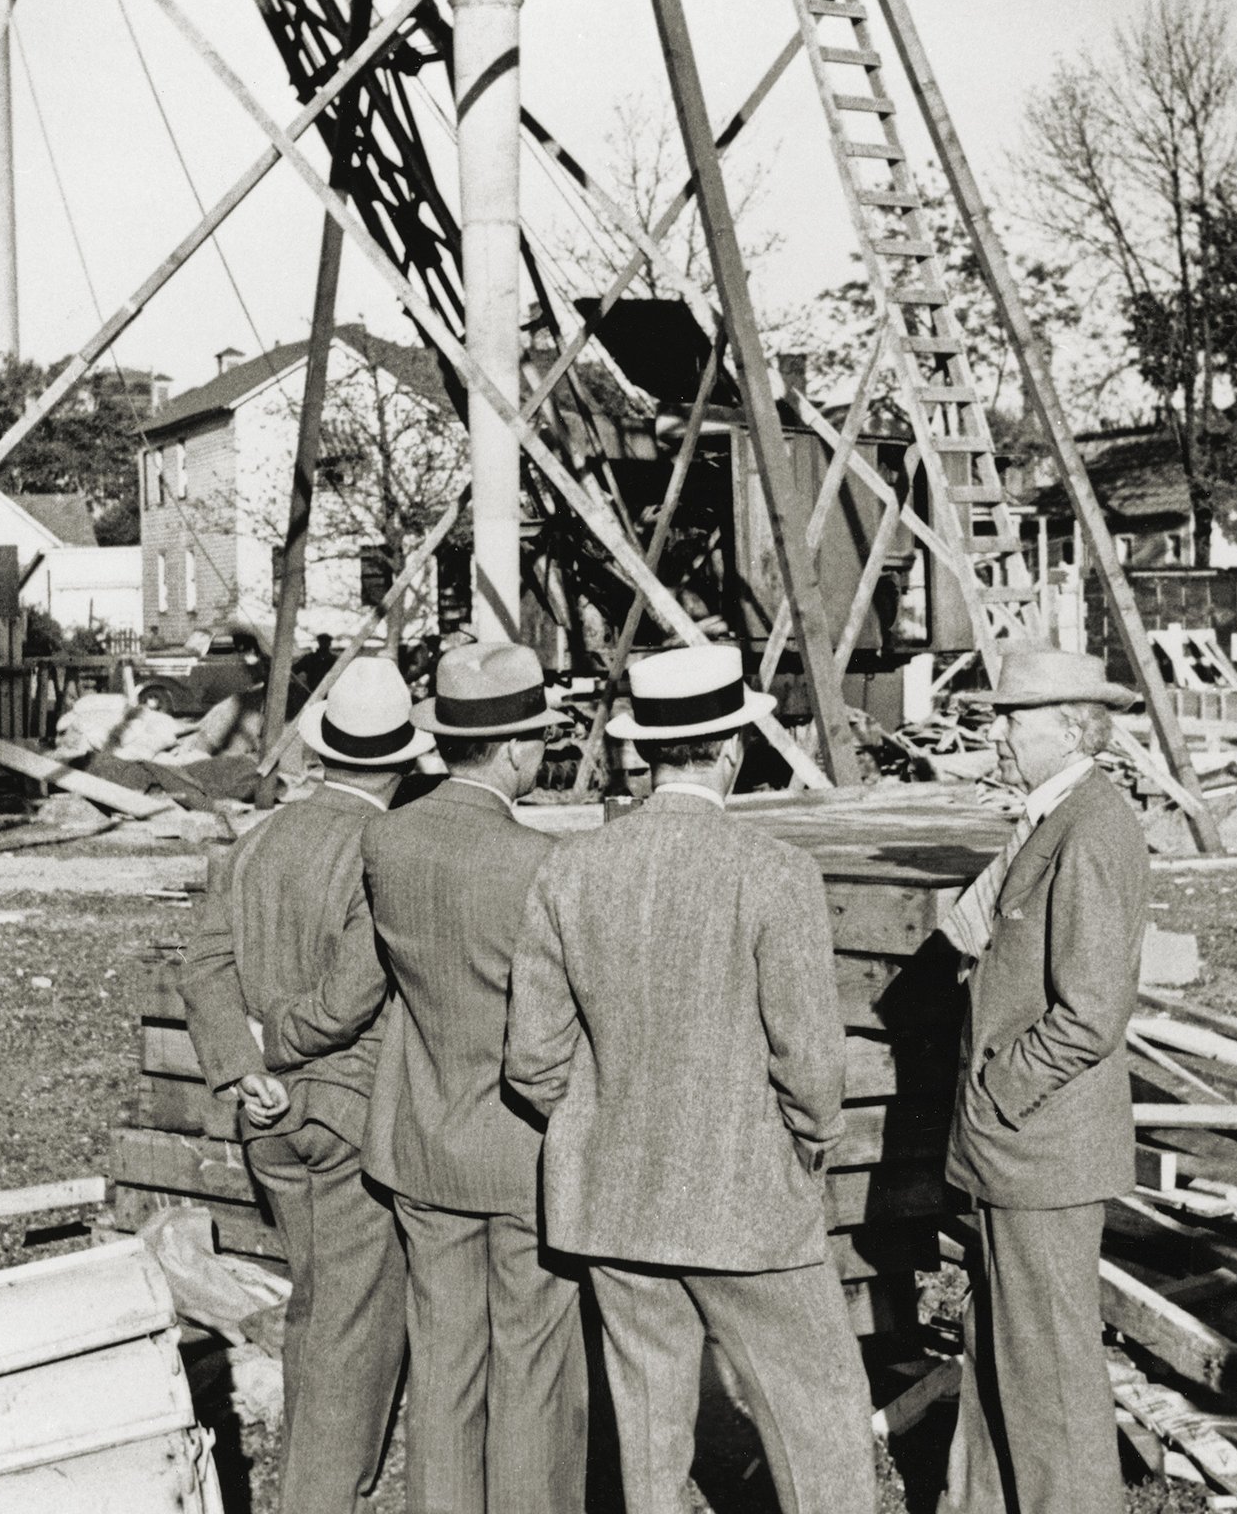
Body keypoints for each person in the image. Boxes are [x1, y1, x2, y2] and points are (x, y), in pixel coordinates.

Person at [506, 644, 875, 1514]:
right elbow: (810, 1062)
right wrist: (811, 1145)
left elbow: (531, 1058)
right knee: (816, 1410)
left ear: (643, 752)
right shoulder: (775, 872)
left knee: (648, 1428)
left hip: (614, 1199)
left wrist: (601, 1120)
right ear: (734, 748)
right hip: (746, 1198)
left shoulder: (568, 868)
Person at [180, 656, 433, 1514]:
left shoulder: (253, 844)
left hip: (266, 1118)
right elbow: (352, 998)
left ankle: (325, 1487)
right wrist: (284, 1055)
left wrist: (244, 1065)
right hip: (344, 1112)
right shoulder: (380, 848)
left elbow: (205, 970)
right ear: (401, 763)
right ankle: (321, 1498)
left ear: (323, 752)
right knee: (348, 1328)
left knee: (317, 1307)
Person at [361, 641, 587, 1514]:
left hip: (423, 1143)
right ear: (517, 750)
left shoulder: (387, 839)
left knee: (446, 1368)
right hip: (525, 1153)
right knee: (531, 1371)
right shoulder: (542, 862)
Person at [936, 645, 1148, 1514]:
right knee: (999, 1350)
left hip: (1040, 1148)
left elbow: (1091, 1012)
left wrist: (997, 1088)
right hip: (1016, 1152)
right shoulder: (1045, 817)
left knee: (1050, 1372)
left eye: (1012, 719)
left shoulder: (1092, 828)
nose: (996, 734)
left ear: (1070, 727)